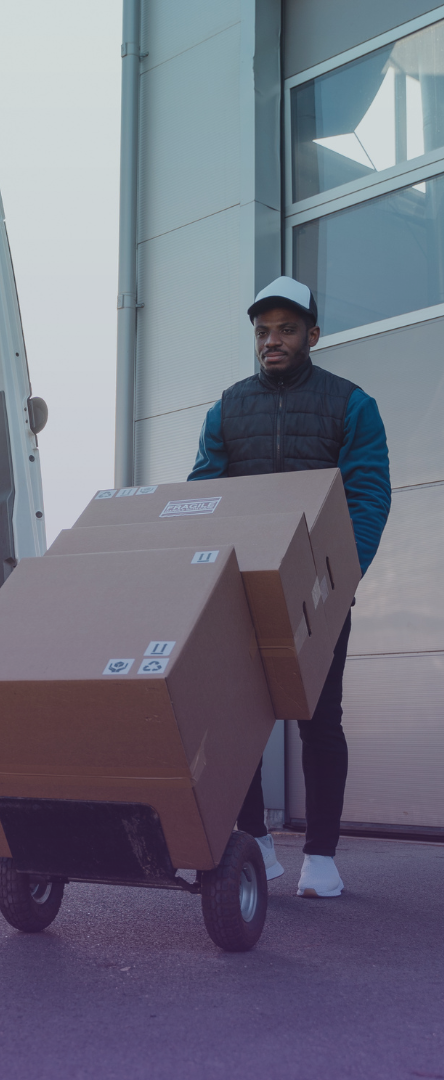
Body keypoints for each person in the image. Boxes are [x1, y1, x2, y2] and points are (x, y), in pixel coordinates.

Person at [188, 276, 390, 898]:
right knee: (238, 721)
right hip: (241, 591)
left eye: (286, 329)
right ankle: (259, 843)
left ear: (313, 335)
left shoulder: (350, 404)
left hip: (319, 594)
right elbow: (204, 492)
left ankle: (322, 859)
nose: (271, 341)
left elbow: (367, 496)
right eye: (263, 332)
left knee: (318, 722)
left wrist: (341, 579)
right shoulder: (227, 408)